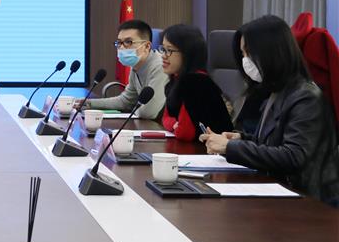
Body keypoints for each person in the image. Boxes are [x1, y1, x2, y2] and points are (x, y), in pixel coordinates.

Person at [201, 15, 339, 205]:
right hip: (282, 192)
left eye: (249, 53)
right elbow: (274, 142)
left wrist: (230, 147)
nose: (245, 61)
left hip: (309, 202)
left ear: (272, 53)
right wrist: (241, 139)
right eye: (242, 54)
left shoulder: (306, 97)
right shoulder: (278, 90)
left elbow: (293, 156)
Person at [79, 19, 168, 119]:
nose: (121, 47)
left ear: (147, 46)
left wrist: (132, 111)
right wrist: (89, 103)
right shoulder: (136, 65)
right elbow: (126, 101)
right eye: (119, 42)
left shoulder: (161, 66)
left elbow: (148, 112)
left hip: (162, 126)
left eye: (128, 42)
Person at [158, 24, 233, 141]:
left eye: (169, 50)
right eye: (163, 49)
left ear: (187, 53)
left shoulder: (196, 81)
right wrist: (174, 125)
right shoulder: (175, 79)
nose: (163, 56)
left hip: (209, 149)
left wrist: (174, 125)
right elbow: (165, 118)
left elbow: (184, 132)